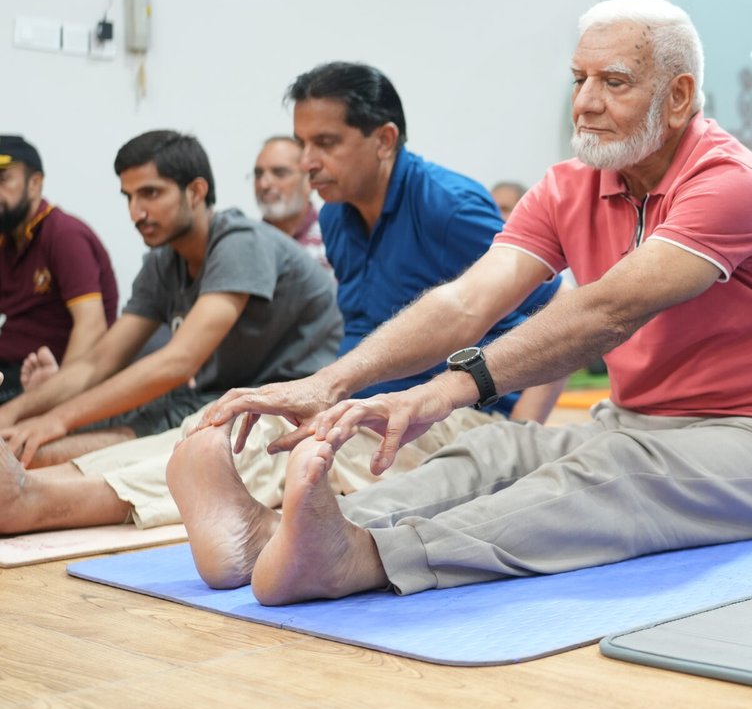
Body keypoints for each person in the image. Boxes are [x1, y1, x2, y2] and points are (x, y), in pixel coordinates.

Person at [168, 0, 752, 603]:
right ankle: (272, 538)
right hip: (637, 420)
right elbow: (466, 302)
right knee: (495, 448)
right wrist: (330, 383)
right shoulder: (569, 186)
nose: (584, 103)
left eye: (613, 82)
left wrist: (442, 391)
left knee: (610, 471)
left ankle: (366, 557)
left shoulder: (728, 180)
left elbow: (607, 311)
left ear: (678, 96)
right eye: (578, 80)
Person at [0, 65, 562, 535]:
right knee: (214, 426)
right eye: (302, 144)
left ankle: (38, 501)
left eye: (326, 143)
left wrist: (517, 439)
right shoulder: (337, 216)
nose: (307, 161)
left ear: (384, 140)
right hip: (357, 403)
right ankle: (42, 481)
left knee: (277, 452)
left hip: (441, 416)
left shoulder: (449, 206)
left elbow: (556, 314)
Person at [0, 131, 340, 471]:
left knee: (43, 447)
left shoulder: (240, 242)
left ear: (196, 191)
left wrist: (57, 419)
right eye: (129, 197)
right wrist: (15, 411)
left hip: (283, 405)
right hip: (216, 396)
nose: (136, 212)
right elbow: (98, 362)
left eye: (151, 193)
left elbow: (179, 361)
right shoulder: (163, 261)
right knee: (36, 431)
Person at [0, 135, 118, 404]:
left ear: (34, 184)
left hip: (45, 377)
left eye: (3, 179)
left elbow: (91, 326)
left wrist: (54, 397)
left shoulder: (64, 235)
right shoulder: (6, 240)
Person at [254, 135, 326, 267]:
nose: (264, 184)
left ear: (308, 181)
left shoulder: (332, 240)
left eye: (279, 173)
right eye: (258, 174)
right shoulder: (245, 243)